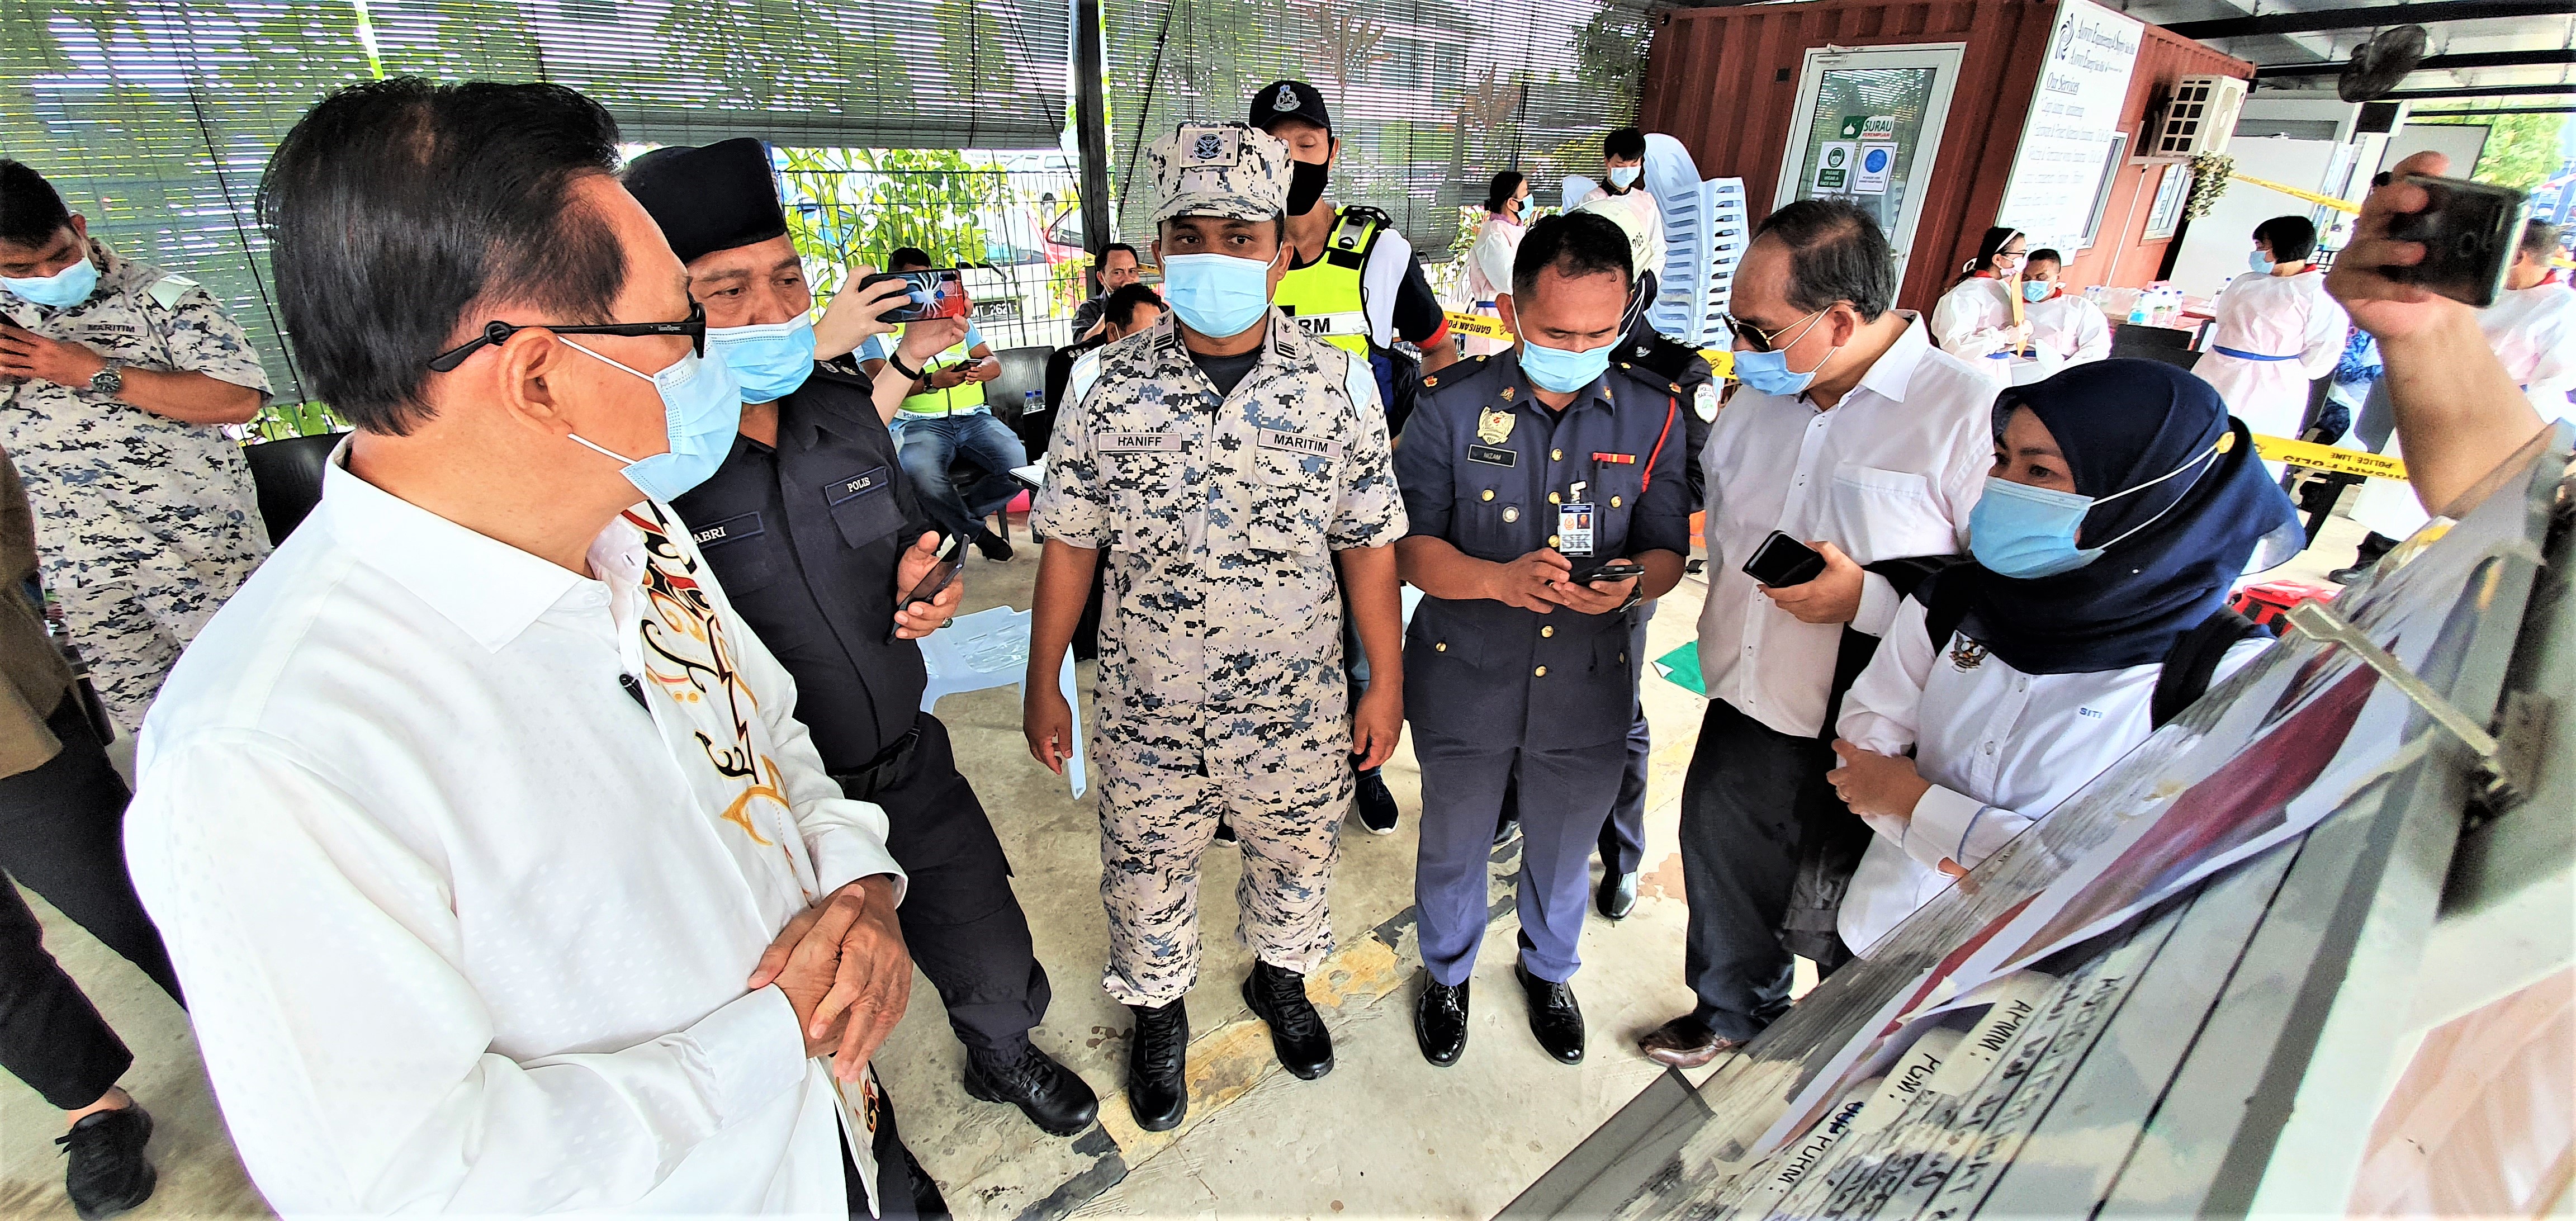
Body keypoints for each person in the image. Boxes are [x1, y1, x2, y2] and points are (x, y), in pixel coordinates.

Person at [122, 79, 931, 1217]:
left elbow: (765, 728)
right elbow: (408, 1182)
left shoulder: (631, 527)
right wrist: (772, 1033)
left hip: (836, 1128)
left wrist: (857, 879)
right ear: (540, 375)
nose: (714, 356)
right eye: (683, 326)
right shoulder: (270, 753)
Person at [622, 138, 1098, 1142]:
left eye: (787, 279)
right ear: (669, 307)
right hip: (763, 809)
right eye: (729, 290)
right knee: (814, 1013)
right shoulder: (644, 462)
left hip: (906, 757)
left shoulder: (841, 410)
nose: (771, 309)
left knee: (988, 943)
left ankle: (1001, 1051)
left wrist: (930, 584)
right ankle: (866, 1142)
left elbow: (906, 543)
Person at [1022, 122, 1405, 1132]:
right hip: (1147, 706)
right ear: (1158, 248)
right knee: (1143, 873)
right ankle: (1158, 1015)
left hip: (1294, 707)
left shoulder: (1337, 386)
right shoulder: (1103, 385)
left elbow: (1368, 544)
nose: (1213, 256)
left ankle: (1280, 979)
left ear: (1280, 250)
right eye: (1189, 235)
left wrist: (1386, 682)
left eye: (1240, 236)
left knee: (1297, 857)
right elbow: (1068, 541)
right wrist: (1042, 675)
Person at [1636, 199, 1994, 1069]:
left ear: (1840, 320)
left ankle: (1846, 1058)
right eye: (1736, 326)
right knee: (1726, 868)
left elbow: (1996, 604)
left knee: (1862, 914)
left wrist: (1867, 601)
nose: (1741, 348)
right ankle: (1733, 1011)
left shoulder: (1967, 416)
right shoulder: (1762, 401)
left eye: (1760, 330)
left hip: (1882, 735)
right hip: (1746, 698)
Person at [1828, 360, 2300, 956]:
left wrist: (1914, 803)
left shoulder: (2221, 672)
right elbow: (1863, 750)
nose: (2003, 487)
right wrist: (1996, 854)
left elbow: (2124, 878)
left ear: (2147, 494)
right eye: (2002, 460)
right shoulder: (1952, 600)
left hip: (2038, 975)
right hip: (1881, 931)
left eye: (2040, 471)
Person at [1395, 211, 1690, 1068]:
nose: (1581, 347)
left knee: (1563, 854)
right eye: (1559, 332)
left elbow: (1669, 550)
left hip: (1588, 679)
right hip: (1466, 673)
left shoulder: (1653, 414)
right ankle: (1446, 975)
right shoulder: (1451, 407)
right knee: (1454, 845)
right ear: (1513, 311)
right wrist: (1497, 580)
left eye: (1602, 331)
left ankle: (1549, 971)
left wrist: (1635, 584)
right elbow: (1408, 549)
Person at [0, 158, 273, 733]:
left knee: (263, 704)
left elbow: (237, 399)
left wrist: (96, 373)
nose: (48, 274)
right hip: (82, 572)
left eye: (60, 255)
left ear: (77, 227)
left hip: (201, 554)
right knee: (155, 731)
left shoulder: (162, 300)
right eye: (20, 268)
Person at [1250, 78, 1444, 834]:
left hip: (1356, 503)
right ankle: (1255, 774)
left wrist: (1407, 446)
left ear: (1332, 151)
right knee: (1264, 647)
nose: (1292, 160)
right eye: (1274, 147)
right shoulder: (1233, 249)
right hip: (1259, 502)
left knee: (1364, 650)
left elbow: (1439, 351)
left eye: (1306, 144)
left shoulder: (1378, 251)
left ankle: (1364, 770)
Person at [0, 446, 182, 1221]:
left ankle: (297, 1042)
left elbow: (9, 520)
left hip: (14, 728)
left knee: (132, 899)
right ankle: (92, 1107)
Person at [2339, 217, 2575, 580]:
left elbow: (2554, 382)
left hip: (2492, 411)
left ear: (2518, 256)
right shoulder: (2483, 288)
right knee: (2397, 488)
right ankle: (2370, 557)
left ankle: (2401, 571)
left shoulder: (2562, 308)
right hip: (2436, 386)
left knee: (2445, 502)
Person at [2328, 151, 2552, 524]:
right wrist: (2427, 330)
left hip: (2504, 417)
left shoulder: (2561, 308)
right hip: (2454, 422)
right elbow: (2529, 516)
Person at [857, 248, 1024, 562]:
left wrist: (985, 368)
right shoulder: (878, 326)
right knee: (920, 474)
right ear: (893, 282)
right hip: (916, 422)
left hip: (974, 418)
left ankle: (951, 525)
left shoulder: (952, 314)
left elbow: (990, 360)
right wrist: (933, 381)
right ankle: (978, 534)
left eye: (926, 278)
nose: (920, 287)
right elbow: (877, 383)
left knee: (1018, 464)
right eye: (911, 280)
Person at [2195, 215, 2351, 458]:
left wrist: (2280, 365)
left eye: (2261, 246)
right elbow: (2224, 321)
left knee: (2248, 448)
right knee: (2197, 431)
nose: (2256, 252)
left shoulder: (2318, 292)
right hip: (2216, 366)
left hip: (2272, 383)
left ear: (2283, 246)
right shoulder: (2246, 281)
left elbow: (2323, 349)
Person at [1930, 225, 2039, 383]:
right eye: (2020, 254)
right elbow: (1956, 345)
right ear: (1998, 259)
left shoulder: (2002, 286)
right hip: (1972, 373)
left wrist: (2019, 333)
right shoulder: (1966, 294)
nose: (2024, 261)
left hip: (1998, 369)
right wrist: (2004, 336)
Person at [1046, 283, 1163, 417]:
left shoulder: (1165, 361)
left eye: (1158, 333)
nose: (1152, 342)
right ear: (1113, 332)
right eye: (1144, 336)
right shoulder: (1074, 366)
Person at [1578, 127, 1665, 282]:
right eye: (1620, 165)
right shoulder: (1591, 202)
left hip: (1641, 283)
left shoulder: (1646, 201)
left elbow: (1658, 248)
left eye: (1634, 164)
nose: (1627, 171)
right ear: (1607, 161)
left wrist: (1648, 284)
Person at [1465, 171, 1532, 358]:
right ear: (1512, 203)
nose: (1530, 198)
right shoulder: (1493, 235)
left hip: (1512, 318)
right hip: (1492, 321)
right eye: (1526, 193)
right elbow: (1508, 282)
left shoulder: (1515, 231)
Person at [2020, 249, 2111, 367]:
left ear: (2057, 278)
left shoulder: (2080, 307)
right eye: (2026, 278)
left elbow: (2096, 348)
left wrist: (2065, 368)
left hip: (2059, 369)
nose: (2032, 283)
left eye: (2041, 278)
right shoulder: (2009, 306)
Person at [1070, 243, 1145, 338]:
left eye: (1132, 271)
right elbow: (1082, 344)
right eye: (1118, 273)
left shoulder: (1153, 305)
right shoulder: (1088, 310)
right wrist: (1110, 313)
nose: (1127, 280)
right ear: (1101, 278)